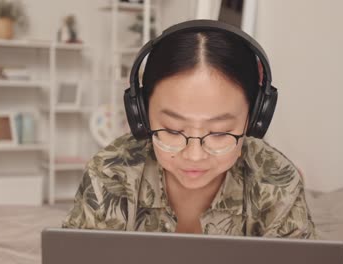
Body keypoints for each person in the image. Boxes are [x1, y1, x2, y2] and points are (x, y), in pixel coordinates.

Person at [62, 19, 316, 238]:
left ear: (254, 120)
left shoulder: (278, 182)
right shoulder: (108, 174)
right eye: (172, 130)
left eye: (219, 133)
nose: (194, 155)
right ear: (141, 115)